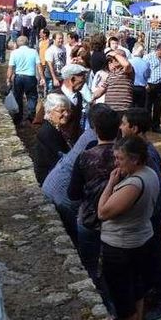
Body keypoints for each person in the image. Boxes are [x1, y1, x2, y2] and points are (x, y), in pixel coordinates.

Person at [119, 109, 161, 320]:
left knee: (153, 252)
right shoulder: (145, 150)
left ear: (134, 128)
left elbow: (151, 187)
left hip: (152, 211)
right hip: (154, 209)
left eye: (124, 124)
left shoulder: (146, 154)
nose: (120, 127)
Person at [97, 135, 160, 320]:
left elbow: (102, 212)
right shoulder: (150, 173)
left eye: (120, 159)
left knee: (123, 298)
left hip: (121, 246)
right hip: (141, 239)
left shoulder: (133, 184)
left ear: (135, 159)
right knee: (136, 288)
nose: (116, 164)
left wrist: (110, 183)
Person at [67, 106, 121, 312]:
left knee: (89, 265)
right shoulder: (126, 157)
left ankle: (98, 305)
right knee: (116, 268)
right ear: (118, 129)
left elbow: (73, 193)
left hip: (90, 219)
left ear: (95, 130)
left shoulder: (85, 157)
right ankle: (116, 305)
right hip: (118, 220)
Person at [43, 104, 106, 246]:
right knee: (75, 239)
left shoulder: (89, 134)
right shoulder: (94, 141)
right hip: (63, 192)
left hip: (55, 185)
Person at [32, 93, 71, 186]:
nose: (66, 114)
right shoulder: (47, 132)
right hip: (50, 179)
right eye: (61, 111)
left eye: (68, 110)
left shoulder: (55, 127)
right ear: (49, 112)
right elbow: (59, 158)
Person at [7, 35, 44, 124]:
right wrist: (42, 78)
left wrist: (8, 79)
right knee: (32, 96)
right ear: (27, 43)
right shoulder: (33, 52)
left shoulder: (14, 53)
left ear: (17, 43)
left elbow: (10, 68)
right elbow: (39, 66)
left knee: (18, 97)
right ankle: (31, 115)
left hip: (18, 77)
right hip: (30, 77)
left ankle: (18, 118)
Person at [146, 43, 161, 133]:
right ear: (158, 50)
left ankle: (155, 126)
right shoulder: (148, 57)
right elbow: (143, 71)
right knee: (147, 106)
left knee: (158, 107)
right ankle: (147, 125)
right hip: (149, 84)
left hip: (160, 84)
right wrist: (145, 83)